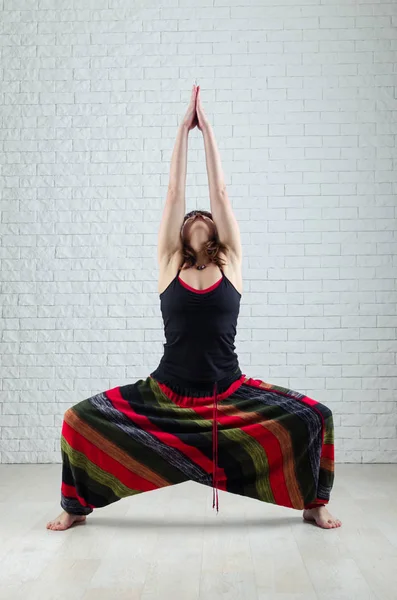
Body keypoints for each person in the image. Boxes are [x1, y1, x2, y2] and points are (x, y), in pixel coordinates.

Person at [47, 85, 342, 531]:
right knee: (76, 419)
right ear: (181, 235)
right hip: (166, 395)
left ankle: (314, 502)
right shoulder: (169, 265)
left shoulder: (232, 264)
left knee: (317, 416)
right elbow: (172, 193)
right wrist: (182, 131)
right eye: (190, 217)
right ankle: (75, 506)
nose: (197, 215)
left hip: (229, 393)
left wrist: (208, 133)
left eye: (204, 215)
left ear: (216, 231)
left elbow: (220, 191)